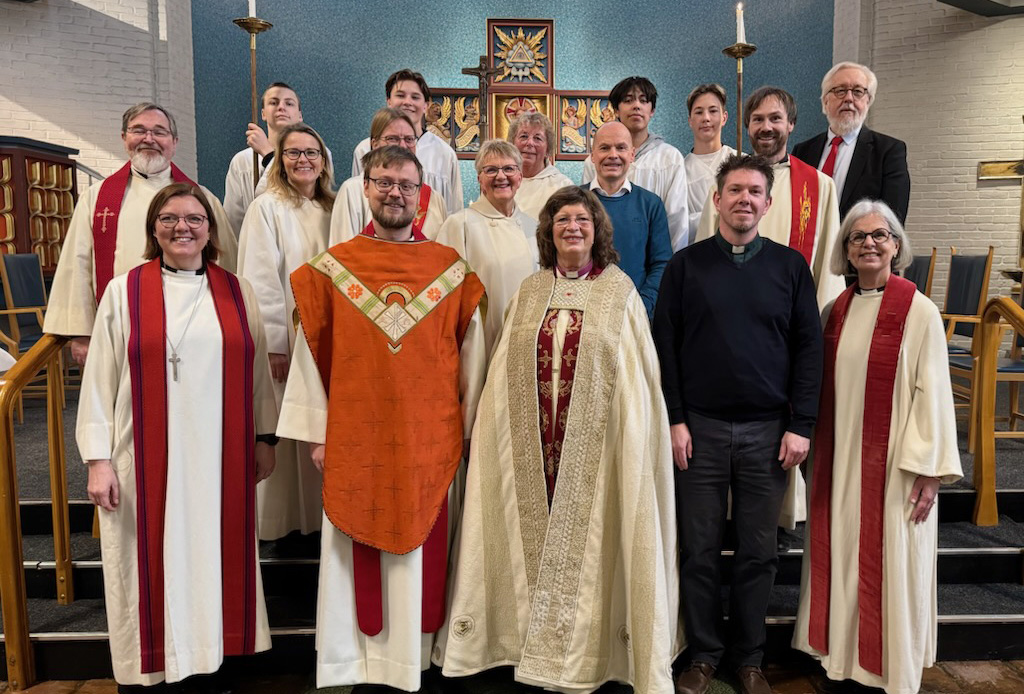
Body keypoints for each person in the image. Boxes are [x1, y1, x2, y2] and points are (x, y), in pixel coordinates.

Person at [439, 185, 680, 693]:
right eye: (563, 220)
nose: (573, 227)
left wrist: (628, 441)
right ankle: (520, 642)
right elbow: (504, 370)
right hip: (533, 446)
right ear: (548, 232)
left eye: (582, 220)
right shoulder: (530, 292)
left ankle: (592, 653)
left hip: (598, 452)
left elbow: (636, 381)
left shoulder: (620, 293)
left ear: (597, 231)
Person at [275, 146, 486, 691]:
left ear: (421, 195)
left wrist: (468, 431)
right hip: (354, 436)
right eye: (384, 182)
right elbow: (311, 353)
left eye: (406, 185)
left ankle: (414, 659)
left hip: (429, 438)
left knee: (424, 552)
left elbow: (472, 357)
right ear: (364, 187)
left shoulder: (450, 270)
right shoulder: (332, 268)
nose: (395, 193)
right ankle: (355, 661)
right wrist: (317, 434)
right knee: (355, 552)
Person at [79, 183, 277, 691]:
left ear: (210, 230)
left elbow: (256, 372)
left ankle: (208, 665)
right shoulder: (125, 291)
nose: (182, 228)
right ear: (154, 228)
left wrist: (265, 438)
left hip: (220, 458)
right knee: (145, 565)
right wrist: (98, 459)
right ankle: (149, 671)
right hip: (142, 460)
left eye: (194, 219)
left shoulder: (237, 292)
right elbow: (99, 378)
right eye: (169, 218)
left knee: (212, 561)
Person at [654, 154, 823, 694]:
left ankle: (749, 658)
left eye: (754, 192)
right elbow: (665, 347)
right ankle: (704, 653)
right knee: (698, 550)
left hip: (767, 432)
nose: (744, 199)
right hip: (699, 429)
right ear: (717, 199)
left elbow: (809, 350)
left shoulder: (790, 268)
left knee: (758, 552)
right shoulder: (686, 266)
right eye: (735, 190)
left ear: (768, 204)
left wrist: (801, 424)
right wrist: (675, 419)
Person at [792, 200, 961, 694]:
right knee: (841, 554)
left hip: (894, 467)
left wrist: (929, 469)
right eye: (858, 237)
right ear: (846, 250)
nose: (869, 243)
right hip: (839, 460)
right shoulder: (835, 311)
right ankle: (843, 658)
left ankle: (888, 666)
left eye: (879, 235)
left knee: (890, 561)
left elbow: (935, 393)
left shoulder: (919, 310)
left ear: (896, 245)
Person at [45, 102, 238, 367]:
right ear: (124, 137)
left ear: (174, 141)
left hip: (192, 325)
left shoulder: (203, 199)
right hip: (120, 325)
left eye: (159, 132)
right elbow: (78, 265)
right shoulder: (97, 199)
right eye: (139, 130)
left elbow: (225, 262)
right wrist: (81, 332)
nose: (149, 139)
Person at [238, 123, 334, 541]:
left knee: (321, 424)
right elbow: (259, 277)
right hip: (289, 341)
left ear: (324, 161)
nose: (303, 160)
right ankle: (282, 525)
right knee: (286, 423)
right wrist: (274, 342)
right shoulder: (267, 207)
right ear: (280, 161)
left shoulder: (334, 208)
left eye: (311, 152)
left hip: (329, 336)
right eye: (293, 153)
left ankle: (319, 518)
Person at [696, 87, 844, 313]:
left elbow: (829, 267)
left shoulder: (820, 186)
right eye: (758, 119)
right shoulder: (725, 185)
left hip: (791, 315)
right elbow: (704, 257)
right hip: (732, 309)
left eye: (775, 118)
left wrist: (823, 320)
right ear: (748, 126)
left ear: (791, 123)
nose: (766, 127)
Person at [436, 139, 537, 357]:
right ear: (480, 179)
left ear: (520, 177)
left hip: (526, 339)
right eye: (491, 170)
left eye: (509, 169)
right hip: (479, 344)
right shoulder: (460, 225)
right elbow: (445, 294)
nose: (501, 176)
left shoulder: (534, 227)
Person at [792, 62, 911, 224]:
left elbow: (893, 220)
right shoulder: (803, 151)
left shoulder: (888, 152)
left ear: (868, 101)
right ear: (825, 101)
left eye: (857, 91)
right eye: (840, 91)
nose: (848, 98)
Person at [581, 76, 689, 252]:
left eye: (643, 100)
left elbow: (677, 220)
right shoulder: (594, 161)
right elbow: (587, 213)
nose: (636, 106)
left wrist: (671, 264)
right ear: (616, 110)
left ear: (652, 110)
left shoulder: (669, 158)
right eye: (628, 100)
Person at [223, 82, 333, 235]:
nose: (281, 107)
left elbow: (318, 200)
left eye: (289, 103)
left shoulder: (319, 154)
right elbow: (233, 220)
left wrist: (269, 154)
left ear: (300, 115)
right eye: (273, 103)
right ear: (263, 113)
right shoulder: (242, 161)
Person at [587, 121, 671, 319]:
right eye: (604, 148)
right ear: (592, 155)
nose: (613, 155)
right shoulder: (575, 201)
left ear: (632, 154)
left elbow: (661, 263)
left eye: (621, 148)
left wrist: (642, 306)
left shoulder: (650, 204)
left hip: (637, 314)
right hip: (585, 313)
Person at [351, 69, 464, 214]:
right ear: (389, 101)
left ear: (426, 106)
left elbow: (455, 210)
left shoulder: (444, 154)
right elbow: (357, 203)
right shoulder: (365, 149)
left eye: (415, 97)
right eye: (400, 95)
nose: (407, 102)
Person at [330, 107, 447, 243]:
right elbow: (343, 250)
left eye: (409, 139)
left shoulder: (434, 198)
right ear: (374, 144)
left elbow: (439, 251)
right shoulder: (352, 190)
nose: (402, 146)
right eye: (393, 139)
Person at [685, 84, 736, 243]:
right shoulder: (681, 171)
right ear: (690, 121)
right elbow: (679, 225)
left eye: (713, 111)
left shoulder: (740, 161)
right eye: (699, 112)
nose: (706, 118)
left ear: (724, 117)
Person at [508, 111, 573, 219]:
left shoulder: (562, 186)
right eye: (523, 136)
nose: (530, 143)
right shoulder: (502, 181)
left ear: (548, 149)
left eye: (537, 138)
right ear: (512, 144)